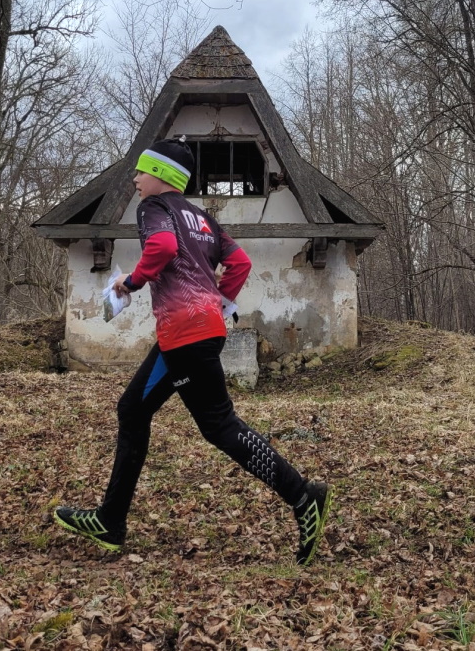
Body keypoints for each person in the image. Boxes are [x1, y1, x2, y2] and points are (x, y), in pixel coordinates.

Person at [53, 138, 332, 566]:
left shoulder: (155, 209)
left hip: (185, 333)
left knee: (219, 426)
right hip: (195, 330)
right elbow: (239, 263)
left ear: (161, 176)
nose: (134, 179)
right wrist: (219, 301)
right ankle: (110, 519)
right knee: (132, 410)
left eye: (141, 172)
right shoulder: (202, 218)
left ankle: (302, 496)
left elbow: (162, 248)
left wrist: (131, 283)